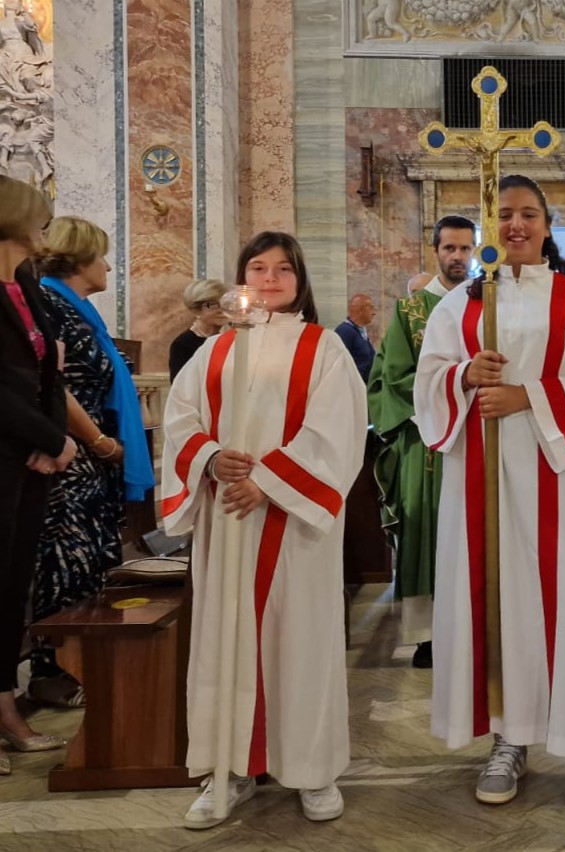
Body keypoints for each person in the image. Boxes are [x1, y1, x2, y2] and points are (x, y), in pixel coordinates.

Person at [414, 175, 565, 836]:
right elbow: (428, 380)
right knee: (497, 603)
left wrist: (525, 397)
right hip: (479, 477)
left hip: (557, 475)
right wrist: (463, 376)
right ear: (488, 225)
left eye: (528, 214)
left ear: (546, 225)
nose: (515, 225)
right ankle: (509, 736)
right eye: (504, 214)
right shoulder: (460, 305)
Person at [162, 231, 368, 829]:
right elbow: (180, 418)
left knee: (301, 642)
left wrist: (269, 482)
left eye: (282, 269)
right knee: (225, 640)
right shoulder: (215, 349)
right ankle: (228, 769)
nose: (270, 278)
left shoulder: (323, 348)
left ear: (300, 280)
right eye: (258, 268)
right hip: (228, 519)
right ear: (242, 278)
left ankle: (312, 769)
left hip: (294, 524)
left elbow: (337, 429)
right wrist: (209, 458)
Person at [29, 216, 154, 708]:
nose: (107, 266)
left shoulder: (78, 310)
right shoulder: (49, 303)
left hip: (91, 461)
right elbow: (52, 385)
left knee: (92, 563)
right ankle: (54, 671)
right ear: (79, 259)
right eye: (100, 256)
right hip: (71, 456)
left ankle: (87, 663)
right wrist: (100, 442)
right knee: (65, 562)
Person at [368, 215, 475, 669]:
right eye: (449, 248)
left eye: (465, 248)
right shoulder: (410, 311)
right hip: (425, 441)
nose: (457, 256)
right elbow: (392, 378)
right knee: (426, 533)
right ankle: (428, 634)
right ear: (435, 251)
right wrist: (456, 387)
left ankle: (475, 626)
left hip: (478, 438)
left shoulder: (486, 304)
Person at [0, 176, 75, 776]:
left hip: (30, 457)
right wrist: (51, 439)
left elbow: (50, 368)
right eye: (39, 216)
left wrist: (53, 441)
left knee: (11, 587)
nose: (46, 226)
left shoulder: (26, 281)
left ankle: (5, 709)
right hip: (9, 447)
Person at [168, 278, 230, 380]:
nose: (221, 310)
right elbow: (180, 384)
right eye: (212, 304)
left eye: (224, 303)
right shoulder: (182, 344)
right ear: (195, 310)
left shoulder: (227, 340)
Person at [334, 292, 376, 381]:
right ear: (360, 311)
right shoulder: (345, 331)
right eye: (371, 308)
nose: (374, 313)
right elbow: (339, 365)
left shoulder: (361, 331)